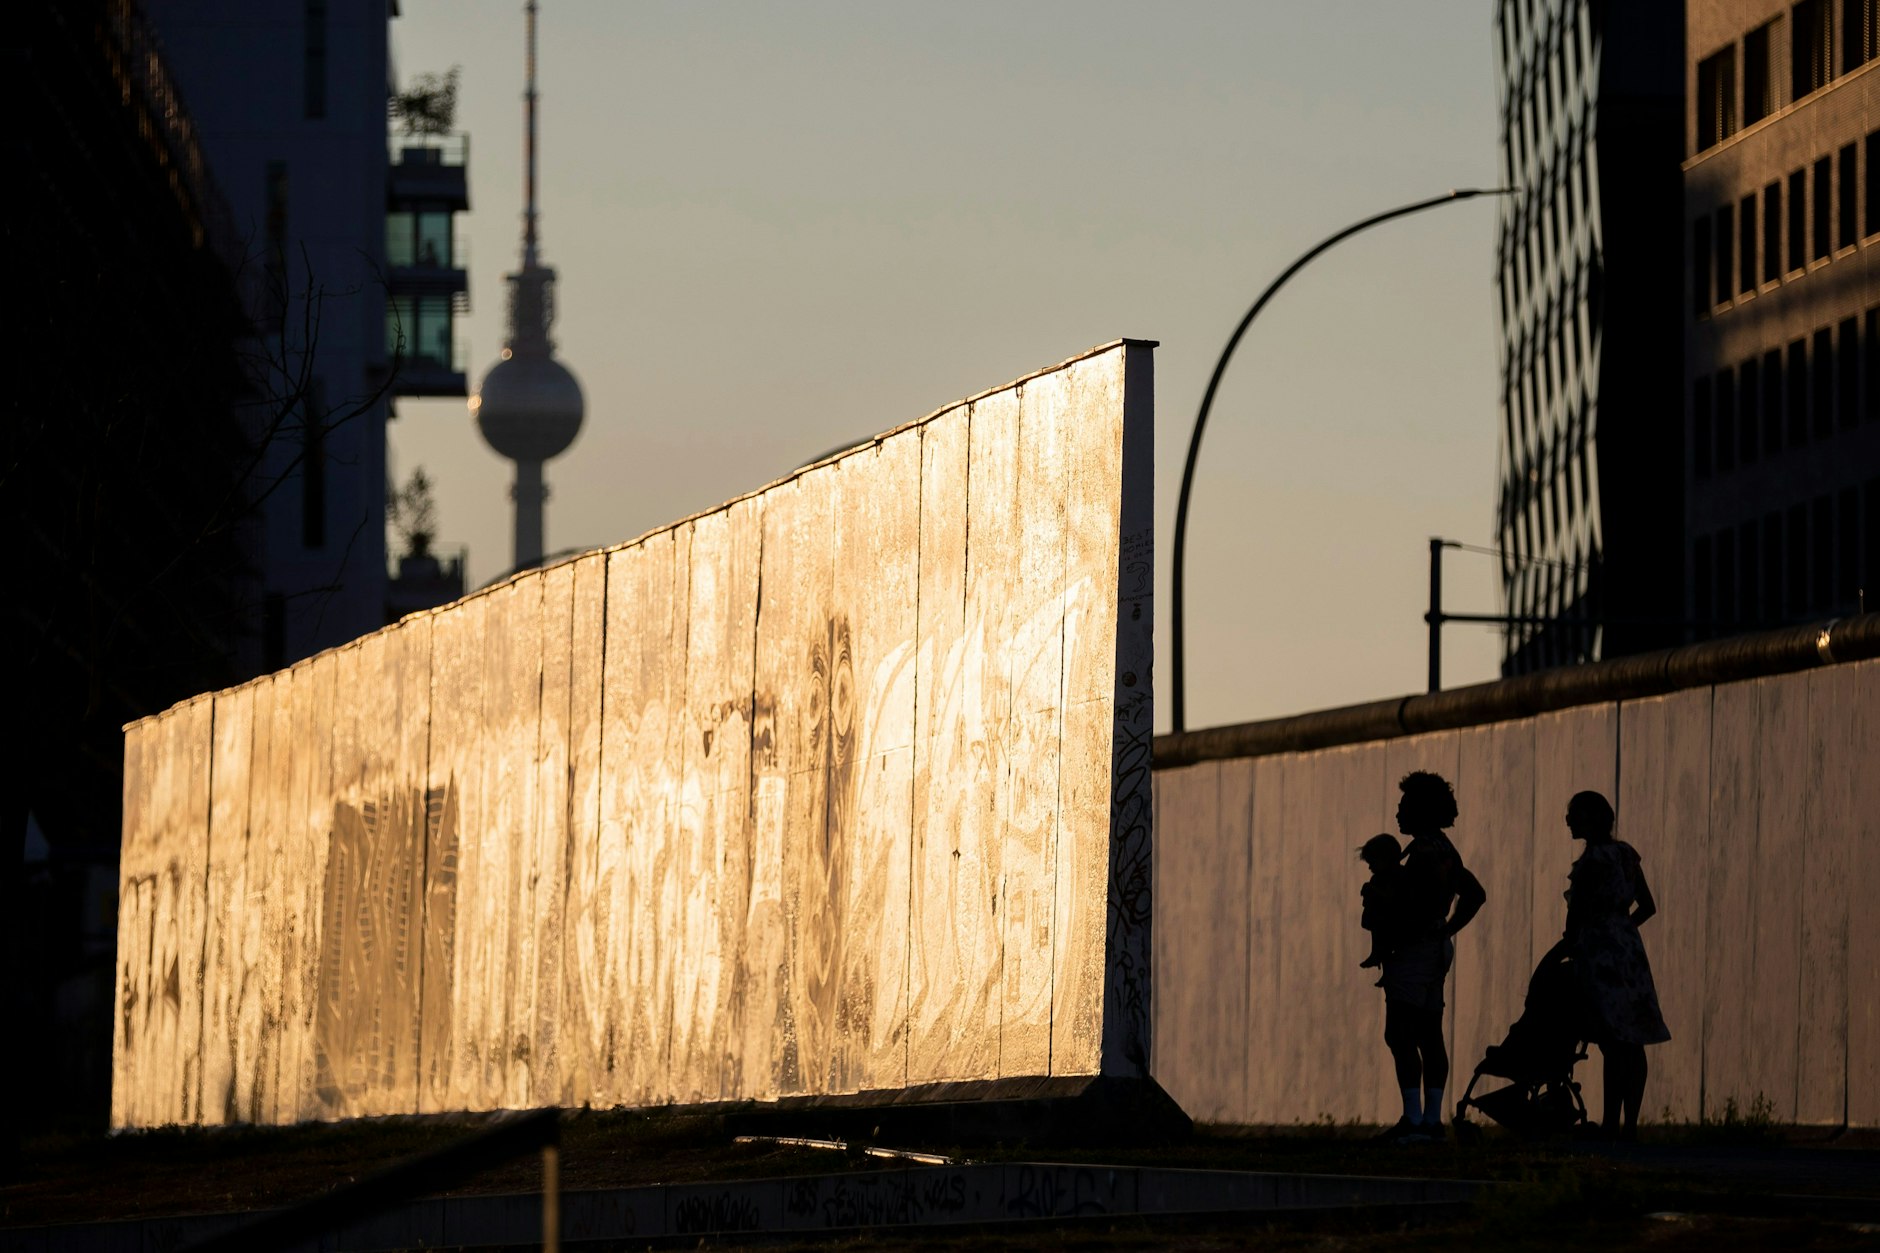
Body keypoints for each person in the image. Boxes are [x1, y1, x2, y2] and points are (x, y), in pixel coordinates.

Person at [1550, 790, 1670, 1139]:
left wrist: (1571, 947)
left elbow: (1576, 919)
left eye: (1575, 814)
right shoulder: (1626, 854)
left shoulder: (1591, 862)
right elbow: (1647, 906)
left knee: (1611, 1039)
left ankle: (1610, 1123)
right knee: (1633, 1040)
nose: (1568, 821)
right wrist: (1622, 929)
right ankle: (1629, 1125)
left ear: (1592, 819)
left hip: (1599, 956)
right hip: (1630, 954)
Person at [1377, 771, 1486, 1143]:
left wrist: (1401, 927)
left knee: (1400, 1033)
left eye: (1405, 805)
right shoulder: (1444, 848)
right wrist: (1447, 929)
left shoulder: (1423, 852)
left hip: (1415, 949)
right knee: (1428, 1033)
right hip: (1434, 948)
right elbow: (1474, 894)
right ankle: (1431, 1120)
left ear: (1420, 809)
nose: (1398, 812)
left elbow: (1416, 903)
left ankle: (1414, 1119)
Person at [1357, 833, 1405, 985]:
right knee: (1379, 936)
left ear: (1386, 859)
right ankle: (1377, 956)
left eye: (1373, 863)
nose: (1370, 867)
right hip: (1380, 920)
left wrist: (1372, 891)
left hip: (1394, 921)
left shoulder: (1399, 875)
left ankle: (1385, 968)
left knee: (1387, 943)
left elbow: (1393, 898)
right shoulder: (1378, 878)